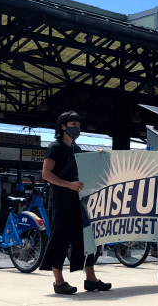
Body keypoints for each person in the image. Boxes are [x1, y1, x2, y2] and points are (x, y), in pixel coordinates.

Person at [39, 111, 112, 294]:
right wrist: (68, 185)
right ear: (62, 126)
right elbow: (46, 174)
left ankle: (91, 278)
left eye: (78, 125)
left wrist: (98, 156)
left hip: (78, 198)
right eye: (72, 125)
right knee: (60, 237)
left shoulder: (76, 148)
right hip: (62, 198)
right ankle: (59, 281)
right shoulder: (55, 147)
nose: (76, 128)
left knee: (86, 237)